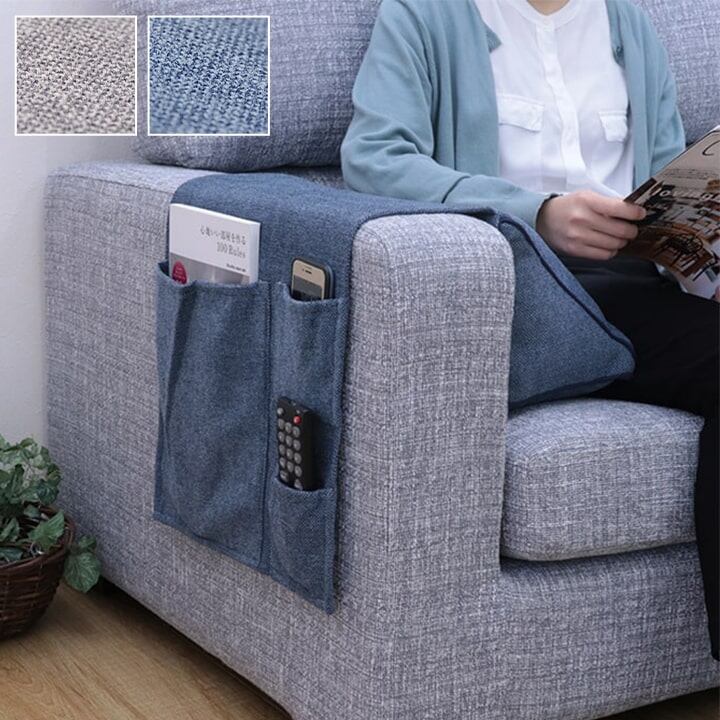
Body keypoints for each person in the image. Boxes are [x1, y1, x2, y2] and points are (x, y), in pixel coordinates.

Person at [341, 0, 719, 660]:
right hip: (517, 291)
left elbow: (670, 178)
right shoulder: (425, 14)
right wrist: (537, 213)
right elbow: (374, 159)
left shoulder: (628, 24)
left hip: (639, 289)